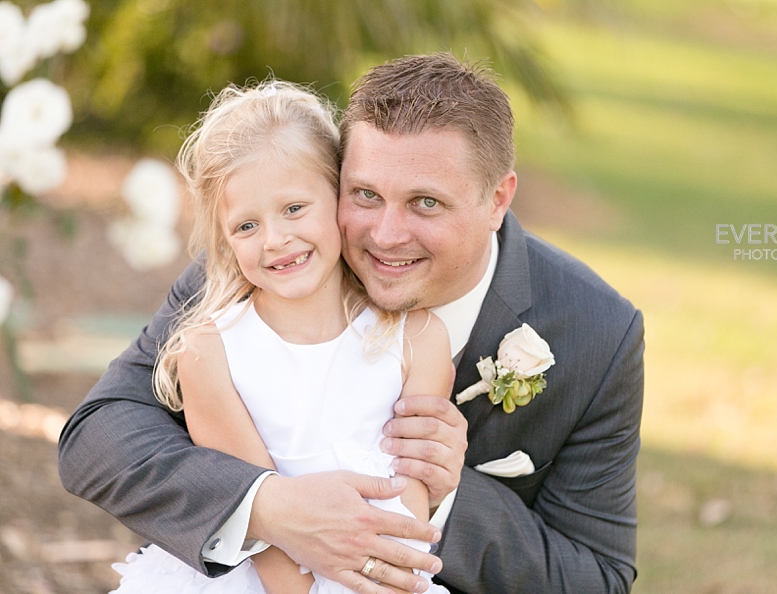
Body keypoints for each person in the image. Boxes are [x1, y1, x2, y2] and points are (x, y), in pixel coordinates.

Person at [59, 53, 644, 594]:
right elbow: (97, 438)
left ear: (497, 199)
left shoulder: (598, 334)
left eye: (425, 203)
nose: (385, 236)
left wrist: (444, 496)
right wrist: (268, 507)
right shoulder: (267, 266)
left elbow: (598, 578)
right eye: (364, 194)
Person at [104, 80, 453, 594]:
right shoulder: (207, 352)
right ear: (224, 239)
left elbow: (410, 514)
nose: (275, 239)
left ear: (339, 197)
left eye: (294, 209)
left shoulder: (416, 338)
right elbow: (255, 526)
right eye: (246, 226)